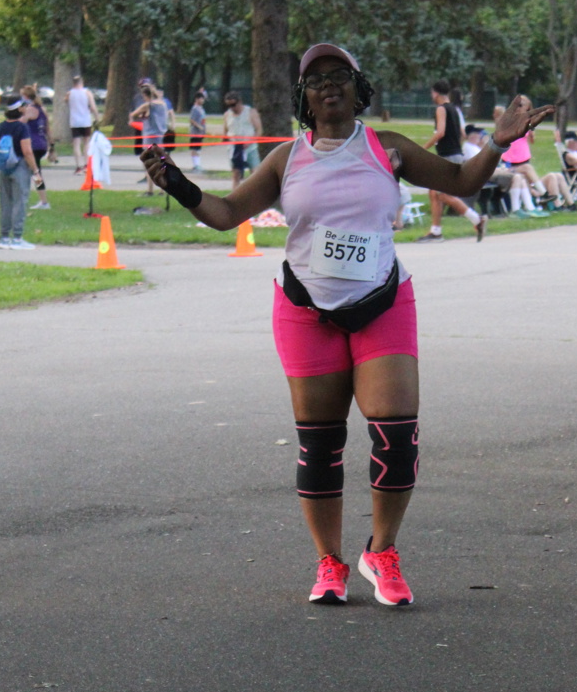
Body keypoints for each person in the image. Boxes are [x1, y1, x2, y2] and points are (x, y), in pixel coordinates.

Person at [139, 42, 550, 606]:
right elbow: (226, 214)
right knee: (320, 445)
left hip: (383, 303)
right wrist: (180, 187)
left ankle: (382, 552)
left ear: (359, 88)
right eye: (316, 80)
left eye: (339, 75)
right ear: (303, 98)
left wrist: (499, 143)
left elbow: (460, 181)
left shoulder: (388, 148)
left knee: (397, 438)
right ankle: (329, 562)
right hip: (306, 312)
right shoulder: (286, 158)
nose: (328, 85)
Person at [418, 81, 486, 241]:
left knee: (442, 195)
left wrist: (422, 148)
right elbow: (463, 134)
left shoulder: (441, 109)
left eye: (432, 93)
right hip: (455, 155)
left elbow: (440, 132)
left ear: (435, 93)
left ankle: (477, 219)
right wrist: (455, 147)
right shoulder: (455, 109)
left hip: (447, 156)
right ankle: (436, 231)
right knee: (434, 193)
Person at [0, 98, 36, 250]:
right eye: (24, 106)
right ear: (19, 109)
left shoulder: (2, 126)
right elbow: (27, 151)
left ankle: (4, 238)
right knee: (20, 202)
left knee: (6, 203)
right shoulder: (22, 128)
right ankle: (17, 238)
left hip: (5, 168)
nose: (26, 108)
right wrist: (35, 169)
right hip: (20, 167)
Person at [223, 90, 263, 188]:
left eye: (233, 105)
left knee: (255, 174)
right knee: (236, 174)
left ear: (239, 102)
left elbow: (259, 130)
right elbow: (225, 132)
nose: (231, 108)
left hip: (250, 148)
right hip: (235, 149)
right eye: (228, 105)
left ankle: (255, 195)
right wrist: (227, 139)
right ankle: (235, 195)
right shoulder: (227, 115)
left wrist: (249, 142)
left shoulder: (251, 112)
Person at [21, 84, 52, 209]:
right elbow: (48, 129)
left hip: (32, 145)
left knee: (34, 173)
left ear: (26, 96)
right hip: (42, 144)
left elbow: (20, 123)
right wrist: (52, 145)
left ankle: (43, 201)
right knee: (34, 172)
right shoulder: (42, 109)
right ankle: (41, 200)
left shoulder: (30, 109)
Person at [65, 75, 98, 174]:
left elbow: (66, 101)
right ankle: (86, 165)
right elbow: (93, 107)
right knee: (86, 143)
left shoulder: (69, 93)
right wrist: (96, 117)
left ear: (73, 83)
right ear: (81, 82)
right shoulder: (87, 93)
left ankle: (78, 166)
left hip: (74, 121)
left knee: (76, 144)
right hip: (85, 121)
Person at [189, 91, 207, 172]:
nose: (203, 100)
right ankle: (196, 164)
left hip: (200, 133)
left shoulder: (201, 108)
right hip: (195, 133)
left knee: (198, 149)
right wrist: (199, 126)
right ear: (197, 99)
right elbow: (192, 120)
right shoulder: (195, 109)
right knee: (195, 148)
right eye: (201, 98)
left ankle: (198, 163)